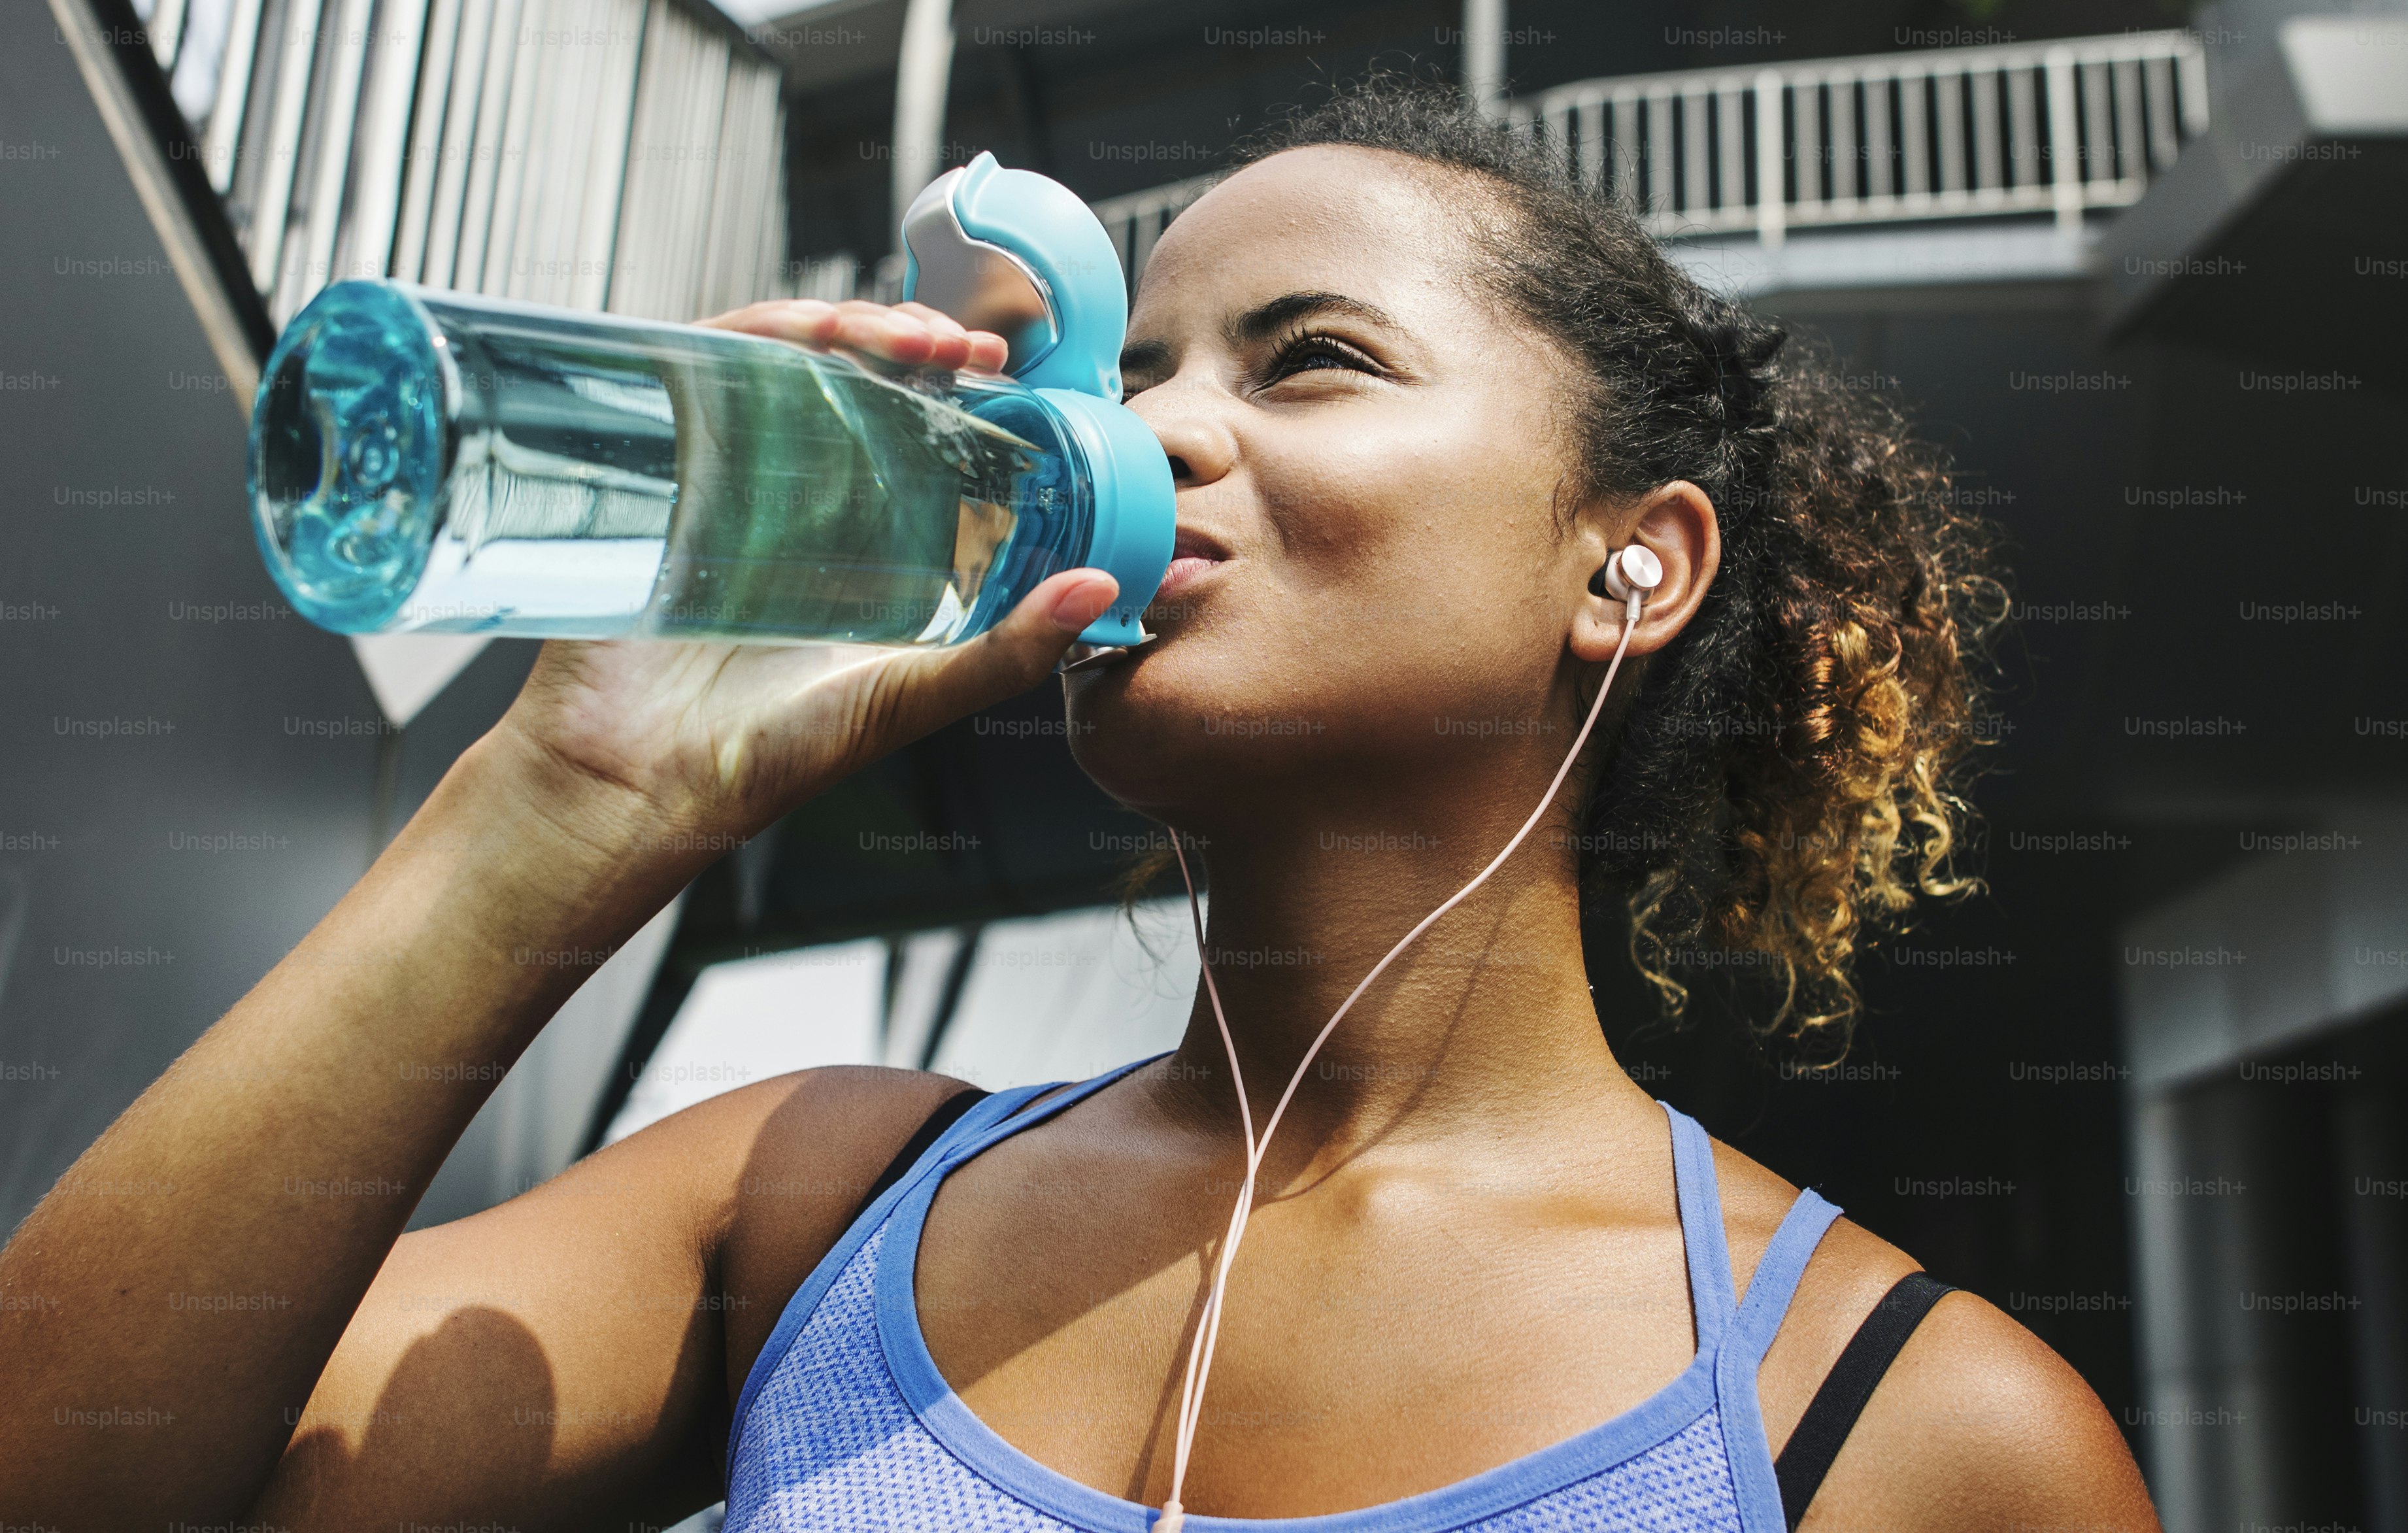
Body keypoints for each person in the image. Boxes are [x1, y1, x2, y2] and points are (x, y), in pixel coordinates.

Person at [0, 82, 2158, 1532]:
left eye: (1305, 359)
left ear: (1633, 560)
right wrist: (555, 800)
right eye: (1126, 380)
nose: (1148, 436)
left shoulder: (1905, 1432)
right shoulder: (806, 1204)